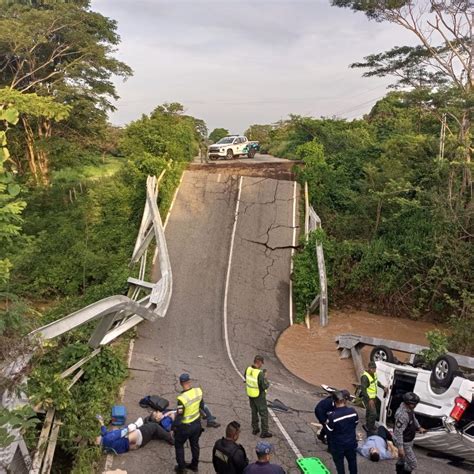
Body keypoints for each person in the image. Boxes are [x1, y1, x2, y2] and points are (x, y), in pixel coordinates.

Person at [173, 373, 206, 473]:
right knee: (195, 445)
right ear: (189, 381)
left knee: (179, 444)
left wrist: (174, 427)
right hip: (196, 424)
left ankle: (182, 468)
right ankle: (194, 465)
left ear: (180, 383)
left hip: (185, 427)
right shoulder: (198, 392)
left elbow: (179, 416)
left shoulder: (182, 399)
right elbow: (202, 406)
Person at [96, 414, 173, 454]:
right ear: (96, 442)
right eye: (94, 438)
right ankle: (171, 439)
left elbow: (104, 432)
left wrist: (101, 422)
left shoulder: (103, 444)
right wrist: (136, 425)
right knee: (154, 426)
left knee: (150, 429)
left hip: (138, 443)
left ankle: (160, 431)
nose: (96, 435)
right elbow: (123, 432)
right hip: (137, 437)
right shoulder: (107, 439)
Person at [326, 391, 359, 474]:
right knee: (352, 463)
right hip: (351, 443)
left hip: (338, 445)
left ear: (334, 402)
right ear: (344, 400)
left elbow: (329, 431)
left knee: (340, 465)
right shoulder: (353, 411)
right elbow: (355, 423)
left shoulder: (332, 416)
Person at [394, 392, 426, 474]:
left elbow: (413, 418)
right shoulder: (402, 415)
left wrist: (419, 427)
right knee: (412, 463)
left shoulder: (409, 409)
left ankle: (399, 471)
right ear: (408, 403)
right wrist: (400, 448)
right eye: (414, 404)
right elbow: (398, 432)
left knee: (402, 459)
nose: (415, 406)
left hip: (408, 440)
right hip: (404, 442)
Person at [246, 355, 272, 438]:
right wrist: (266, 378)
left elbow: (246, 378)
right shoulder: (260, 374)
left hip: (250, 394)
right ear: (259, 362)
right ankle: (264, 432)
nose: (261, 365)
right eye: (261, 363)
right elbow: (264, 386)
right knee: (263, 413)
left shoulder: (248, 369)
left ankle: (255, 428)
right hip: (259, 396)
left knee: (254, 412)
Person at [360, 361, 388, 435]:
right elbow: (363, 390)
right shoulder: (365, 377)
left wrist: (383, 387)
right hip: (368, 398)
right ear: (369, 368)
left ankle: (369, 424)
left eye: (375, 368)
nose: (374, 370)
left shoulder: (374, 374)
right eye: (373, 369)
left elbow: (376, 382)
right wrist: (369, 400)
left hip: (373, 397)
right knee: (374, 414)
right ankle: (369, 427)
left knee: (369, 412)